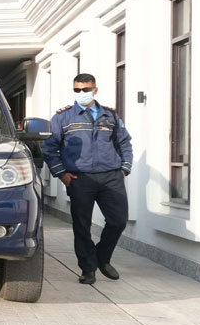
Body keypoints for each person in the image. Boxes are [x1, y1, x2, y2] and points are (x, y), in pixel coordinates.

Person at [42, 73, 133, 284]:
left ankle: (102, 258)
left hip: (111, 177)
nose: (81, 93)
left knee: (118, 221)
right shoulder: (63, 117)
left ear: (95, 90)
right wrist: (62, 174)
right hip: (79, 178)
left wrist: (124, 169)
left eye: (85, 89)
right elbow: (50, 149)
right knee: (82, 226)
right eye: (77, 90)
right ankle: (88, 269)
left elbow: (124, 143)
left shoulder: (110, 116)